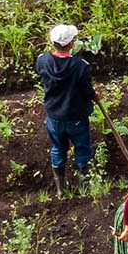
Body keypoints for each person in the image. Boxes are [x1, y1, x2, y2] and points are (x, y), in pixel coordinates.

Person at [36, 24, 96, 193]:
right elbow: (87, 90)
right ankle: (85, 187)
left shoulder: (43, 60)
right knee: (82, 148)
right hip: (76, 117)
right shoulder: (80, 65)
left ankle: (61, 188)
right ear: (70, 43)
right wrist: (93, 95)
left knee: (58, 148)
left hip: (54, 117)